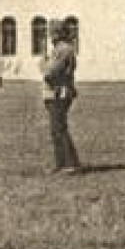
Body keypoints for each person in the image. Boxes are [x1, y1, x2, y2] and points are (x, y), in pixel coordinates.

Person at [39, 18, 81, 175]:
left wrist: (43, 62)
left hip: (59, 93)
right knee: (56, 129)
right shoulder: (60, 49)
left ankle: (70, 163)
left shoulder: (63, 50)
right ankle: (62, 163)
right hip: (56, 92)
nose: (50, 35)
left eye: (52, 31)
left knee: (59, 128)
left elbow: (50, 72)